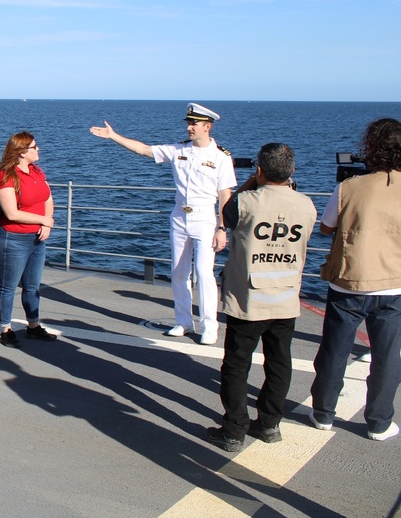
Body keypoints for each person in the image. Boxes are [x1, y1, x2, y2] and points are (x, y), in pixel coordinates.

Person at [89, 103, 236, 345]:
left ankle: (210, 326)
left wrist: (222, 228)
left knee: (204, 273)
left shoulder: (220, 157)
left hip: (205, 219)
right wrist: (113, 136)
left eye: (194, 124)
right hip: (179, 216)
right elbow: (145, 150)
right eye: (189, 123)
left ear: (207, 127)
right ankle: (184, 321)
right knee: (179, 272)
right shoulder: (179, 150)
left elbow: (224, 196)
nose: (190, 127)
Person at [205, 143, 316, 452]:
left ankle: (234, 429)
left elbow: (227, 212)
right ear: (292, 172)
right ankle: (269, 424)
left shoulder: (245, 202)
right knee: (279, 362)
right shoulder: (307, 205)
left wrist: (252, 182)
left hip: (248, 300)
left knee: (237, 365)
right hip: (286, 297)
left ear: (259, 170)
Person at [310, 118, 401, 442]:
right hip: (394, 283)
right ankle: (378, 421)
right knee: (388, 356)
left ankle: (323, 412)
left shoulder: (349, 187)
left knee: (335, 350)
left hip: (349, 280)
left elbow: (326, 227)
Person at [0, 132, 56, 348]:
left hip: (36, 238)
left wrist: (46, 223)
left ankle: (33, 325)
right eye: (35, 147)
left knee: (32, 286)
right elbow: (12, 213)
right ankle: (6, 329)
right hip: (13, 238)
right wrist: (44, 220)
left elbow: (47, 197)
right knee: (8, 287)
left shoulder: (37, 171)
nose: (39, 150)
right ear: (21, 151)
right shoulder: (6, 176)